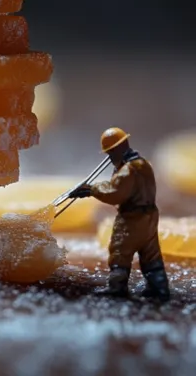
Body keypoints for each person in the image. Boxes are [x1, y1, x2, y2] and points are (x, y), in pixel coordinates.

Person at [71, 127, 170, 301]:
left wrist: (92, 189)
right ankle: (159, 287)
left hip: (132, 218)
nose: (109, 158)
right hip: (150, 217)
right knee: (150, 253)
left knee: (120, 251)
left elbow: (115, 193)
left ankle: (117, 287)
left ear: (116, 149)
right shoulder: (144, 164)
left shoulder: (127, 171)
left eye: (110, 153)